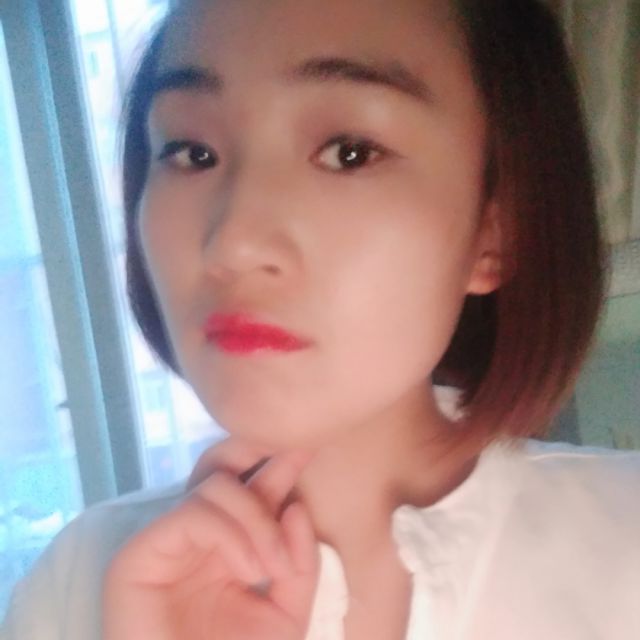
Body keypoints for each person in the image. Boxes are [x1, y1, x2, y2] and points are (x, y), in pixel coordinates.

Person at [2, 0, 639, 638]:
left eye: (349, 153)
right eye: (193, 152)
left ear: (495, 229)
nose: (232, 244)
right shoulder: (75, 581)